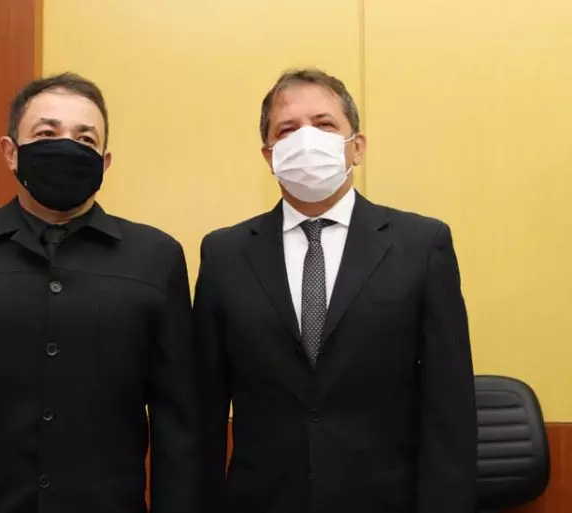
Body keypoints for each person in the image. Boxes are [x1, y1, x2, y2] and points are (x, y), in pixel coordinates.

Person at [0, 72, 200, 513]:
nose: (67, 147)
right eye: (47, 134)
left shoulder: (156, 259)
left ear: (105, 162)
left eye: (85, 139)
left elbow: (178, 425)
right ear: (11, 152)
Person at [195, 69, 476, 513]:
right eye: (287, 129)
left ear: (356, 146)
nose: (306, 139)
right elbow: (204, 408)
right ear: (269, 155)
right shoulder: (224, 254)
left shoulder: (422, 245)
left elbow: (449, 404)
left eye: (324, 124)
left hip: (385, 499)